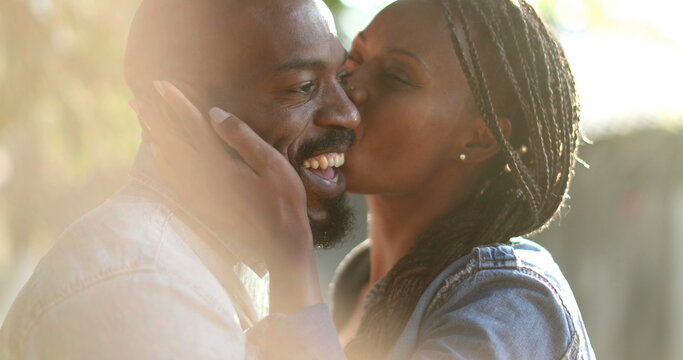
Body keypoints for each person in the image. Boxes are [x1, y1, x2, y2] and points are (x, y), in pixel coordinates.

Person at [143, 0, 596, 359]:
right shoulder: (358, 280)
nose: (348, 93)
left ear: (479, 139)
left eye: (398, 77)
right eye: (354, 60)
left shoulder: (513, 304)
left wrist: (290, 255)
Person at [0, 0, 356, 359]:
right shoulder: (143, 289)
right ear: (177, 110)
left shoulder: (222, 260)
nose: (348, 113)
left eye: (342, 77)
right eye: (302, 86)